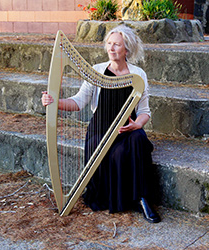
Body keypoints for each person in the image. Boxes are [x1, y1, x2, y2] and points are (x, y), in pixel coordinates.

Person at [42, 25, 161, 223]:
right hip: (100, 129)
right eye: (109, 44)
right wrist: (55, 102)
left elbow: (144, 112)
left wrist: (138, 124)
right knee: (112, 152)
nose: (111, 48)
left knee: (137, 140)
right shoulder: (96, 71)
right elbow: (78, 102)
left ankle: (142, 199)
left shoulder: (138, 74)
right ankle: (117, 197)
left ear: (127, 49)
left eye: (117, 45)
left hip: (127, 128)